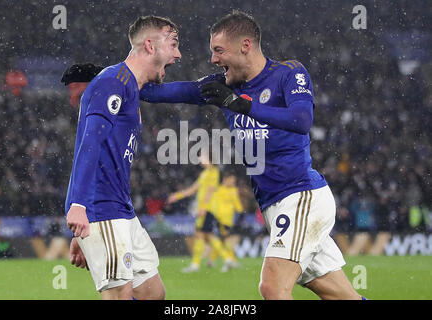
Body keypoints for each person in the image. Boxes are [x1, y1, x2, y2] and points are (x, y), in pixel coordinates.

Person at [62, 11, 364, 300]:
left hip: (301, 196)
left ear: (245, 46)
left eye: (219, 51)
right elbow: (152, 90)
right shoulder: (221, 86)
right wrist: (106, 75)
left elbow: (301, 121)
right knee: (340, 295)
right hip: (276, 204)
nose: (213, 59)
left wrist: (242, 105)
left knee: (272, 288)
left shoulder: (289, 73)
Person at [63, 15, 181, 300]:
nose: (178, 54)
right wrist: (79, 206)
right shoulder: (113, 82)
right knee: (119, 294)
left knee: (153, 293)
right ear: (150, 46)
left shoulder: (128, 85)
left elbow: (97, 151)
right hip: (100, 206)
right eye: (174, 44)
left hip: (119, 208)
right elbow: (90, 143)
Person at [166, 153, 231, 273]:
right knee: (206, 236)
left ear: (210, 158)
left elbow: (210, 191)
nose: (200, 159)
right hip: (205, 209)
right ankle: (226, 259)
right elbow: (193, 189)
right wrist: (177, 196)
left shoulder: (213, 172)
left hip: (208, 209)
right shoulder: (205, 173)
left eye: (203, 157)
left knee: (201, 235)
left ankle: (196, 264)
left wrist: (203, 208)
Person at [207, 171, 243, 272]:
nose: (233, 182)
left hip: (228, 220)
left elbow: (237, 203)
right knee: (224, 239)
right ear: (226, 179)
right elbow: (214, 205)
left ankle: (221, 260)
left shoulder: (233, 190)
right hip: (219, 219)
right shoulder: (218, 190)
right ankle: (229, 260)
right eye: (232, 180)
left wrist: (240, 213)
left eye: (234, 181)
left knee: (221, 240)